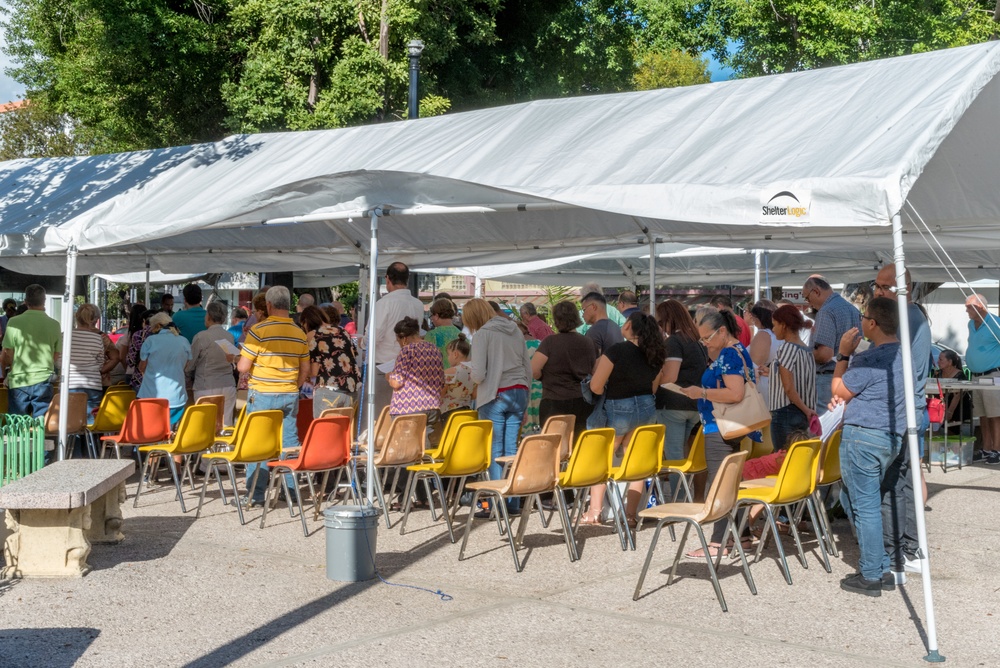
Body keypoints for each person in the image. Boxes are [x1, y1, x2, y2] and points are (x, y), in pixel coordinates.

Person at [830, 297, 907, 597]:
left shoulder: (871, 358)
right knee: (857, 500)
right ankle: (882, 566)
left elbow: (838, 388)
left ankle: (872, 573)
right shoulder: (904, 355)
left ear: (872, 323)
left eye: (863, 316)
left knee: (864, 505)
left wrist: (843, 354)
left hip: (863, 436)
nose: (860, 320)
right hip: (890, 436)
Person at [675, 308, 758, 558]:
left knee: (719, 483)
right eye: (702, 339)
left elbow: (735, 393)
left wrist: (700, 392)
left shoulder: (729, 356)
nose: (704, 343)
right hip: (728, 425)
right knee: (730, 481)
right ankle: (741, 536)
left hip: (720, 426)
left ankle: (717, 543)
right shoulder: (735, 352)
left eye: (707, 337)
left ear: (722, 331)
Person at [872, 265, 930, 581]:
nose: (878, 292)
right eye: (877, 286)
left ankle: (904, 552)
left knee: (895, 482)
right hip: (908, 410)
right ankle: (911, 549)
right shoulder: (911, 316)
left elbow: (892, 367)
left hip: (901, 411)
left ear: (902, 288)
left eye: (884, 287)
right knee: (903, 480)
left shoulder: (905, 319)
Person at [580, 312, 665, 527]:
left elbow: (596, 386)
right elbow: (654, 386)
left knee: (602, 459)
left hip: (619, 408)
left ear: (629, 327)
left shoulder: (616, 351)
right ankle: (631, 514)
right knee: (635, 462)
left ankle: (595, 511)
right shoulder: (655, 354)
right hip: (646, 407)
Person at [236, 286, 310, 507]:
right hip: (289, 393)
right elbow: (304, 370)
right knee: (289, 442)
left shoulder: (258, 330)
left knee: (258, 443)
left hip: (262, 393)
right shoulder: (299, 332)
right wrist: (293, 386)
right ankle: (291, 491)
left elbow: (243, 367)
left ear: (268, 305)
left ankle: (256, 495)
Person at [464, 298, 532, 516]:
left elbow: (479, 374)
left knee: (495, 449)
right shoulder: (514, 328)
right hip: (519, 390)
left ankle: (496, 503)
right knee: (511, 449)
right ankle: (511, 502)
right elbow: (526, 365)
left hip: (495, 393)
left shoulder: (482, 334)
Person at [532, 300, 597, 437]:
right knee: (577, 445)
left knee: (554, 447)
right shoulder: (587, 342)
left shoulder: (549, 342)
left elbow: (533, 369)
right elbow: (594, 370)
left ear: (556, 320)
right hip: (581, 400)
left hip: (553, 401)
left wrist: (543, 376)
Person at [654, 299, 708, 463]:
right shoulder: (697, 341)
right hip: (693, 405)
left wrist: (653, 384)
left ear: (669, 320)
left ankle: (681, 490)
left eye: (661, 322)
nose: (660, 327)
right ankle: (683, 489)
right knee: (683, 454)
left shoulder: (674, 341)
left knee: (674, 456)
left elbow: (670, 377)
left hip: (672, 404)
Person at [2, 284, 62, 418]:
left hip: (19, 379)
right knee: (41, 424)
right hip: (43, 379)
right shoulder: (54, 324)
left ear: (25, 301)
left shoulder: (13, 322)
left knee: (17, 424)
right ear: (44, 301)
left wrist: (13, 366)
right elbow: (56, 353)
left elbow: (7, 352)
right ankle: (39, 440)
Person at [803, 275, 861, 414]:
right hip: (849, 376)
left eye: (807, 298)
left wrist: (805, 352)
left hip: (828, 378)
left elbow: (825, 354)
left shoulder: (826, 311)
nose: (809, 303)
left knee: (824, 426)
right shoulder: (852, 309)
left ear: (816, 291)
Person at [373, 262, 425, 414]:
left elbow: (374, 336)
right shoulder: (418, 304)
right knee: (406, 412)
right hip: (411, 364)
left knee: (383, 414)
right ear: (407, 279)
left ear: (387, 279)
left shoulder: (383, 303)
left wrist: (362, 343)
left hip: (384, 365)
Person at [768, 304, 817, 450]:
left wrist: (805, 410)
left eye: (774, 325)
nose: (773, 329)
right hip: (802, 414)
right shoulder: (807, 351)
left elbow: (788, 388)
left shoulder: (786, 348)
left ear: (783, 325)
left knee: (782, 460)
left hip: (785, 412)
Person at [301, 305, 361, 418]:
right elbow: (353, 357)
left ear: (306, 322)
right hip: (352, 389)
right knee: (344, 432)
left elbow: (314, 371)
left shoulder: (313, 335)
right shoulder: (343, 332)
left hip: (328, 389)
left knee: (324, 431)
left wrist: (304, 375)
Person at [186, 301, 237, 427]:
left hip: (206, 385)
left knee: (205, 425)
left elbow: (190, 365)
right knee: (225, 424)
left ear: (208, 316)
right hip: (228, 384)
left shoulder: (201, 337)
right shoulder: (229, 336)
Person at [138, 312, 192, 427]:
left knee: (152, 428)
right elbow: (187, 365)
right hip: (177, 396)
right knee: (170, 429)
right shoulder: (184, 341)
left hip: (152, 395)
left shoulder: (150, 341)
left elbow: (142, 366)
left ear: (156, 326)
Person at [964, 293, 1000, 465]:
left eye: (969, 307)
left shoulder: (995, 323)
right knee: (982, 415)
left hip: (993, 374)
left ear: (980, 307)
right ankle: (986, 448)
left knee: (995, 414)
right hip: (977, 376)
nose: (966, 310)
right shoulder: (971, 324)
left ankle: (997, 450)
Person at [67, 303, 119, 420]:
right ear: (96, 319)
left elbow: (59, 360)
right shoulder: (100, 337)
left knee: (72, 420)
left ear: (76, 316)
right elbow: (113, 358)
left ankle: (74, 439)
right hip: (95, 383)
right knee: (92, 421)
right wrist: (99, 370)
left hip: (70, 383)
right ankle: (90, 438)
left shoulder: (66, 336)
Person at [388, 316, 444, 423]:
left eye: (398, 340)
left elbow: (396, 383)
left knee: (406, 440)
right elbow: (441, 380)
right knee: (426, 440)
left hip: (408, 409)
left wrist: (389, 376)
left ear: (404, 339)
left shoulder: (407, 350)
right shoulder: (435, 349)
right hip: (432, 407)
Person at [747, 300, 778, 400]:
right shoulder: (777, 334)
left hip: (761, 383)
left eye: (753, 316)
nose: (752, 318)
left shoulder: (763, 335)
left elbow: (756, 365)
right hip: (771, 382)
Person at [937, 350, 970, 436]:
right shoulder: (938, 374)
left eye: (941, 359)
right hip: (943, 406)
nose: (938, 362)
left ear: (950, 362)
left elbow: (957, 396)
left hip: (958, 408)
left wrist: (949, 412)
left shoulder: (960, 376)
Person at [440, 334, 475, 417]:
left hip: (450, 412)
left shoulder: (450, 372)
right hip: (468, 411)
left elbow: (441, 393)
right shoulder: (474, 371)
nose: (448, 358)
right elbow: (474, 395)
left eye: (448, 354)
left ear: (455, 354)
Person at [518, 321, 544, 434]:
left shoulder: (517, 346)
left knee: (527, 421)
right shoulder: (539, 343)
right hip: (539, 385)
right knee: (539, 418)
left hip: (524, 385)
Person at [581, 291, 623, 356]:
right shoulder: (616, 327)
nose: (582, 315)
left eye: (584, 310)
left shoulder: (594, 331)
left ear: (593, 307)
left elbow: (591, 362)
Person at [424, 298, 461, 367]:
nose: (431, 319)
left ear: (436, 316)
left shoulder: (432, 335)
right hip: (457, 375)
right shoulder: (461, 334)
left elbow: (426, 360)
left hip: (438, 375)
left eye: (431, 316)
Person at [125, 309, 155, 392]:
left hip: (140, 379)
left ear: (144, 321)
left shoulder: (138, 335)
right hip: (158, 381)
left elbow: (131, 360)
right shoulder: (163, 335)